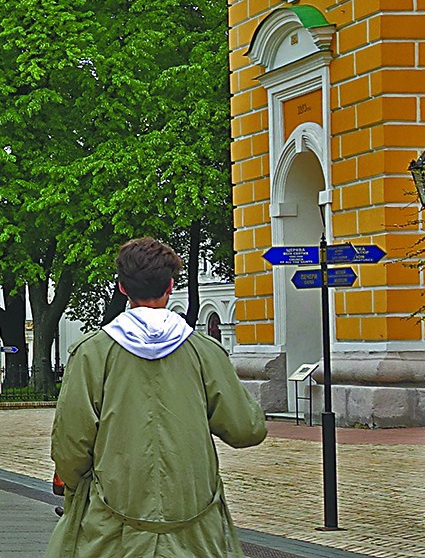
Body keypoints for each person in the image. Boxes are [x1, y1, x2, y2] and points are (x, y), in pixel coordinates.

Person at [47, 237, 267, 558]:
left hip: (112, 530)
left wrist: (75, 483)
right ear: (171, 286)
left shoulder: (92, 353)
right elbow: (246, 429)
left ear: (122, 288)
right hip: (196, 528)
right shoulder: (204, 352)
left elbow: (71, 443)